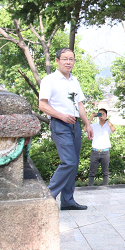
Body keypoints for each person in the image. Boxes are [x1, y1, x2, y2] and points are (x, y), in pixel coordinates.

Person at [38, 48, 93, 210]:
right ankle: (47, 197)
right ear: (57, 61)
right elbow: (42, 105)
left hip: (74, 125)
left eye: (71, 59)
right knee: (68, 161)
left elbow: (80, 104)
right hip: (59, 123)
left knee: (74, 164)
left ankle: (68, 200)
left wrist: (87, 124)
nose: (69, 62)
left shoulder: (74, 81)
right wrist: (61, 116)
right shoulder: (50, 80)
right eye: (65, 59)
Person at [87, 108, 115, 186]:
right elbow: (86, 128)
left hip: (105, 152)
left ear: (106, 115)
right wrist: (92, 117)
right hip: (95, 151)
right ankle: (90, 188)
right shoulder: (94, 125)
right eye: (99, 114)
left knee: (105, 172)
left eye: (102, 114)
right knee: (92, 172)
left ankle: (105, 188)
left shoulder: (108, 125)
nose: (101, 115)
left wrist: (106, 120)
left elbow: (113, 129)